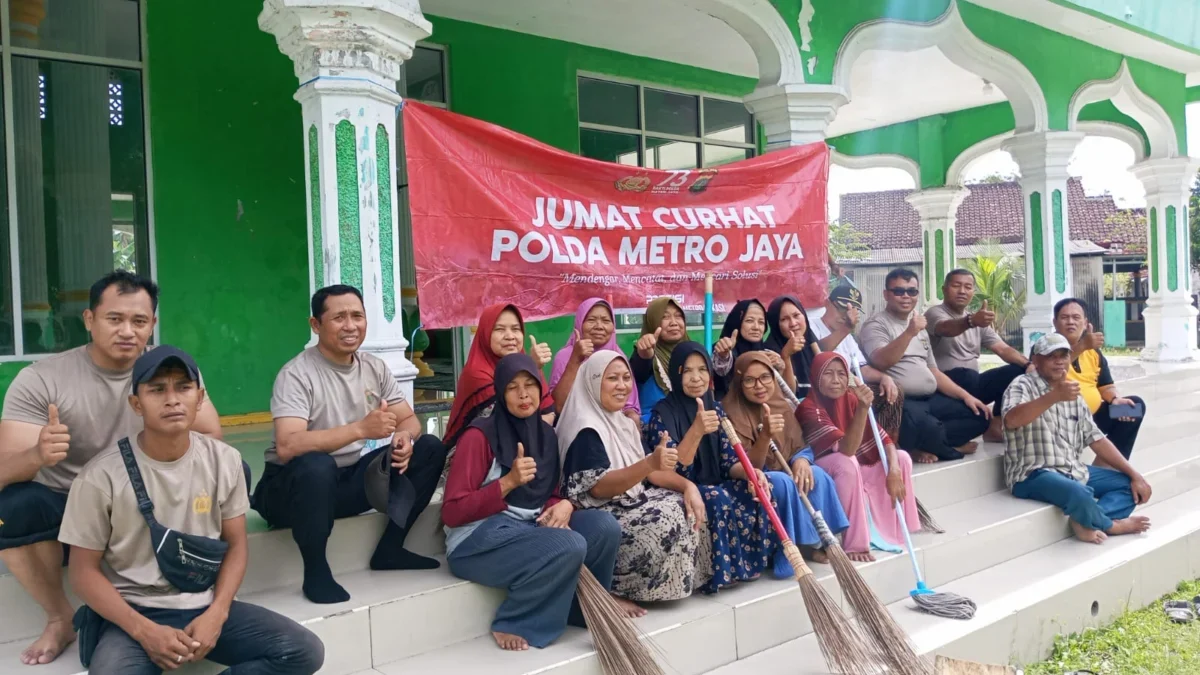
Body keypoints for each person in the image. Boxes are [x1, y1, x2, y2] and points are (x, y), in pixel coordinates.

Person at [0, 271, 224, 666]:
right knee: (12, 507)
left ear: (152, 324)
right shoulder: (41, 379)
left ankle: (198, 591)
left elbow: (213, 440)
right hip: (71, 507)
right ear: (89, 320)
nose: (127, 331)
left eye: (139, 321)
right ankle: (59, 617)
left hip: (149, 502)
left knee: (233, 470)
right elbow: (3, 470)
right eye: (114, 319)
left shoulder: (169, 372)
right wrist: (37, 454)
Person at [59, 347, 324, 674]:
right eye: (157, 389)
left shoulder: (224, 461)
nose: (172, 399)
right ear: (136, 404)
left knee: (303, 651)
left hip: (204, 603)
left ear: (199, 399)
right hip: (133, 614)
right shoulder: (100, 477)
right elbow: (82, 572)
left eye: (183, 387)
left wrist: (218, 612)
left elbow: (237, 544)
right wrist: (145, 631)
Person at [253, 285, 449, 604]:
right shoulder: (297, 374)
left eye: (357, 316)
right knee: (317, 464)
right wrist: (360, 429)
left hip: (343, 484)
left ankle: (390, 549)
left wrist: (404, 438)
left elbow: (409, 420)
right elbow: (288, 446)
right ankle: (316, 572)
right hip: (290, 491)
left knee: (429, 447)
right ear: (316, 325)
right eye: (339, 317)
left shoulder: (373, 367)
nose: (350, 325)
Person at [442, 354, 621, 652]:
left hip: (528, 525)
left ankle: (581, 609)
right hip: (476, 539)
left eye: (530, 385)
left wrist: (565, 506)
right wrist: (507, 483)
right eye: (513, 387)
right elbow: (452, 512)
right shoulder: (479, 437)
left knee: (604, 527)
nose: (524, 395)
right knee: (568, 545)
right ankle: (515, 621)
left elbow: (546, 494)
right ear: (501, 392)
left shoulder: (546, 436)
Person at [557, 350, 710, 610]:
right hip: (597, 512)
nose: (622, 386)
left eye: (626, 378)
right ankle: (623, 587)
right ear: (593, 382)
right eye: (612, 378)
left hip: (627, 500)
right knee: (664, 518)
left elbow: (650, 473)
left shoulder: (623, 423)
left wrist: (688, 486)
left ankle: (672, 585)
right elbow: (599, 487)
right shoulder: (585, 428)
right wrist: (649, 463)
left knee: (687, 505)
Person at [645, 343, 778, 593]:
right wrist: (696, 430)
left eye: (703, 370)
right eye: (688, 372)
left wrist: (751, 473)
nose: (696, 378)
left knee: (761, 484)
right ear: (676, 374)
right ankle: (720, 573)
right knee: (716, 496)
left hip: (712, 481)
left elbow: (729, 462)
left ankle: (754, 564)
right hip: (677, 487)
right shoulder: (662, 414)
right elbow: (673, 469)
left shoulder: (715, 408)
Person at [1002, 333, 1152, 544]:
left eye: (1063, 356)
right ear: (1035, 360)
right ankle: (1111, 525)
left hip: (1072, 468)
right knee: (1078, 492)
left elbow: (1097, 440)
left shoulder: (1074, 392)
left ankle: (1087, 519)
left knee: (1129, 485)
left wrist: (1135, 474)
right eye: (1051, 356)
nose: (1059, 361)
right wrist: (1053, 396)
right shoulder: (1022, 385)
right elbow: (1012, 420)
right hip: (1032, 474)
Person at [721, 352, 849, 564]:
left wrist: (801, 460)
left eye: (765, 377)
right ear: (739, 382)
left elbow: (800, 445)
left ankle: (820, 542)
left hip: (783, 468)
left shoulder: (781, 405)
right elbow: (747, 466)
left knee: (816, 474)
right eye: (750, 380)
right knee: (783, 482)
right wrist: (765, 436)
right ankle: (793, 547)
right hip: (753, 479)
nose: (759, 385)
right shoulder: (730, 412)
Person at [796, 352, 920, 562]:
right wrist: (863, 408)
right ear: (816, 376)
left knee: (902, 458)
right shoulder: (809, 407)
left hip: (854, 464)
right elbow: (847, 450)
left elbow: (885, 440)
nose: (836, 380)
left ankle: (897, 530)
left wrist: (894, 471)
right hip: (825, 469)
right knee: (847, 462)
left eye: (841, 374)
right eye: (828, 374)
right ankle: (853, 542)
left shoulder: (851, 398)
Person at [860, 269, 991, 463]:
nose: (906, 296)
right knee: (926, 426)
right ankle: (934, 444)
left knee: (980, 416)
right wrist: (909, 333)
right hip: (901, 403)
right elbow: (881, 361)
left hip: (930, 398)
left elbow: (934, 371)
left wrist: (967, 396)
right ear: (886, 294)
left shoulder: (919, 325)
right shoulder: (876, 325)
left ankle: (931, 443)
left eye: (912, 291)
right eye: (898, 291)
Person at [925, 269, 1029, 442]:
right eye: (956, 285)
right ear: (944, 289)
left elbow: (1003, 350)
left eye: (968, 287)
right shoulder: (934, 313)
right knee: (966, 375)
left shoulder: (977, 320)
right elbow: (946, 328)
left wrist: (1029, 365)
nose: (962, 291)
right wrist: (971, 322)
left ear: (973, 292)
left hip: (973, 384)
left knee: (1016, 371)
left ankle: (996, 424)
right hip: (945, 386)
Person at [445, 304, 555, 450]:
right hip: (479, 456)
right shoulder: (477, 374)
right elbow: (510, 424)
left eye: (516, 329)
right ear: (486, 333)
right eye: (499, 329)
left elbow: (549, 412)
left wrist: (531, 368)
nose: (510, 336)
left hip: (523, 449)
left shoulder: (526, 364)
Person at [1052, 298, 1145, 459]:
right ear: (1055, 322)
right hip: (1063, 419)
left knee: (1133, 407)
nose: (1070, 322)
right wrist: (1082, 346)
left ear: (1085, 322)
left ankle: (1108, 467)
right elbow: (1048, 376)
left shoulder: (1093, 351)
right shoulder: (1047, 346)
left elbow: (1106, 385)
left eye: (1076, 317)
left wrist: (1115, 399)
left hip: (1094, 417)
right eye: (1064, 317)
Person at [809, 285, 904, 440]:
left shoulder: (847, 336)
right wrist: (847, 328)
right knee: (854, 396)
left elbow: (862, 367)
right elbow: (819, 353)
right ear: (827, 303)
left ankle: (886, 445)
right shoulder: (811, 325)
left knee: (892, 390)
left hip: (850, 384)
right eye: (842, 308)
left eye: (852, 311)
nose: (847, 315)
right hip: (825, 387)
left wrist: (884, 378)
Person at [550, 298, 639, 420]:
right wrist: (575, 359)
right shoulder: (565, 356)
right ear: (579, 324)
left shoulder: (618, 356)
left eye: (606, 320)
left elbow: (630, 405)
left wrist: (631, 417)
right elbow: (559, 406)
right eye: (591, 320)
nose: (599, 326)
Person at [630, 298, 690, 423]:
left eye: (678, 316)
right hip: (657, 430)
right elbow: (638, 372)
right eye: (665, 317)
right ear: (653, 322)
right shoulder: (645, 353)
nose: (674, 323)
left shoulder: (692, 352)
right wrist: (644, 355)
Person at [711, 299, 776, 400]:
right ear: (737, 322)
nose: (756, 327)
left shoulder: (767, 353)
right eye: (749, 321)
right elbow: (720, 371)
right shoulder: (721, 349)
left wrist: (781, 367)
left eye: (761, 322)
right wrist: (723, 356)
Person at [764, 296, 819, 394]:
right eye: (784, 319)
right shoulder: (770, 352)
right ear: (775, 324)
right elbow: (789, 393)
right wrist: (785, 355)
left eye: (796, 315)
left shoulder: (809, 338)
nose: (793, 323)